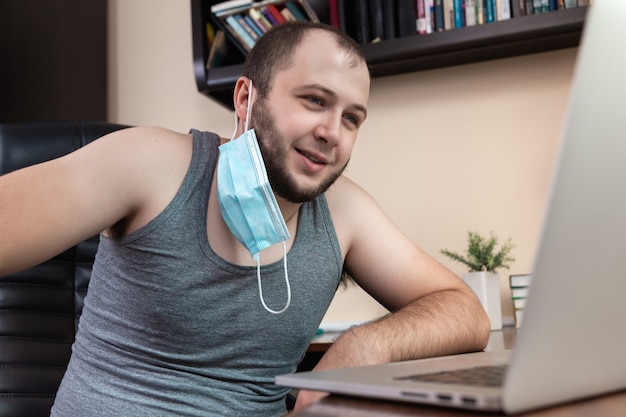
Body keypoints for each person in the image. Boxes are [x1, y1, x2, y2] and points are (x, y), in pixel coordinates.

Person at [0, 21, 489, 416]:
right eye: (315, 100)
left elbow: (464, 310)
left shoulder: (345, 215)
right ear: (245, 99)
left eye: (352, 118)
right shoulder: (149, 164)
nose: (331, 132)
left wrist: (364, 346)